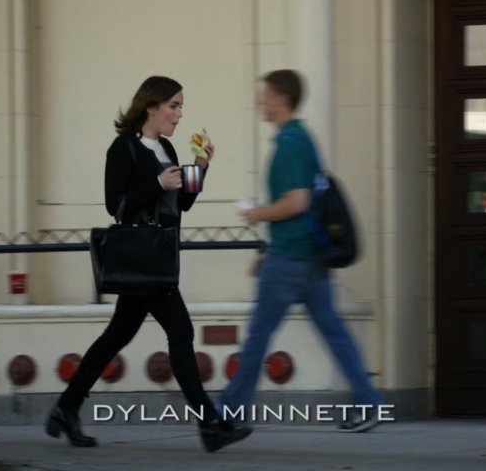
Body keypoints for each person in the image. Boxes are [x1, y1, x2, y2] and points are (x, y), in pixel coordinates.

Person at [45, 76, 251, 452]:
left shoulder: (168, 148)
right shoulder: (123, 148)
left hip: (156, 255)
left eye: (181, 105)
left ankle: (65, 408)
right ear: (152, 107)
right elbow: (115, 204)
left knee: (115, 337)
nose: (180, 113)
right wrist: (156, 183)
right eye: (174, 105)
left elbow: (181, 203)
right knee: (181, 333)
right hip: (144, 256)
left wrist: (200, 168)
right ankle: (210, 426)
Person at [218, 69, 384, 433]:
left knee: (258, 337)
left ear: (281, 98)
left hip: (290, 260)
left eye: (265, 95)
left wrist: (258, 213)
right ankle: (370, 403)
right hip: (309, 259)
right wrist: (268, 248)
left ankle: (228, 413)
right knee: (334, 332)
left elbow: (297, 202)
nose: (260, 102)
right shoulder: (303, 137)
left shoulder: (290, 144)